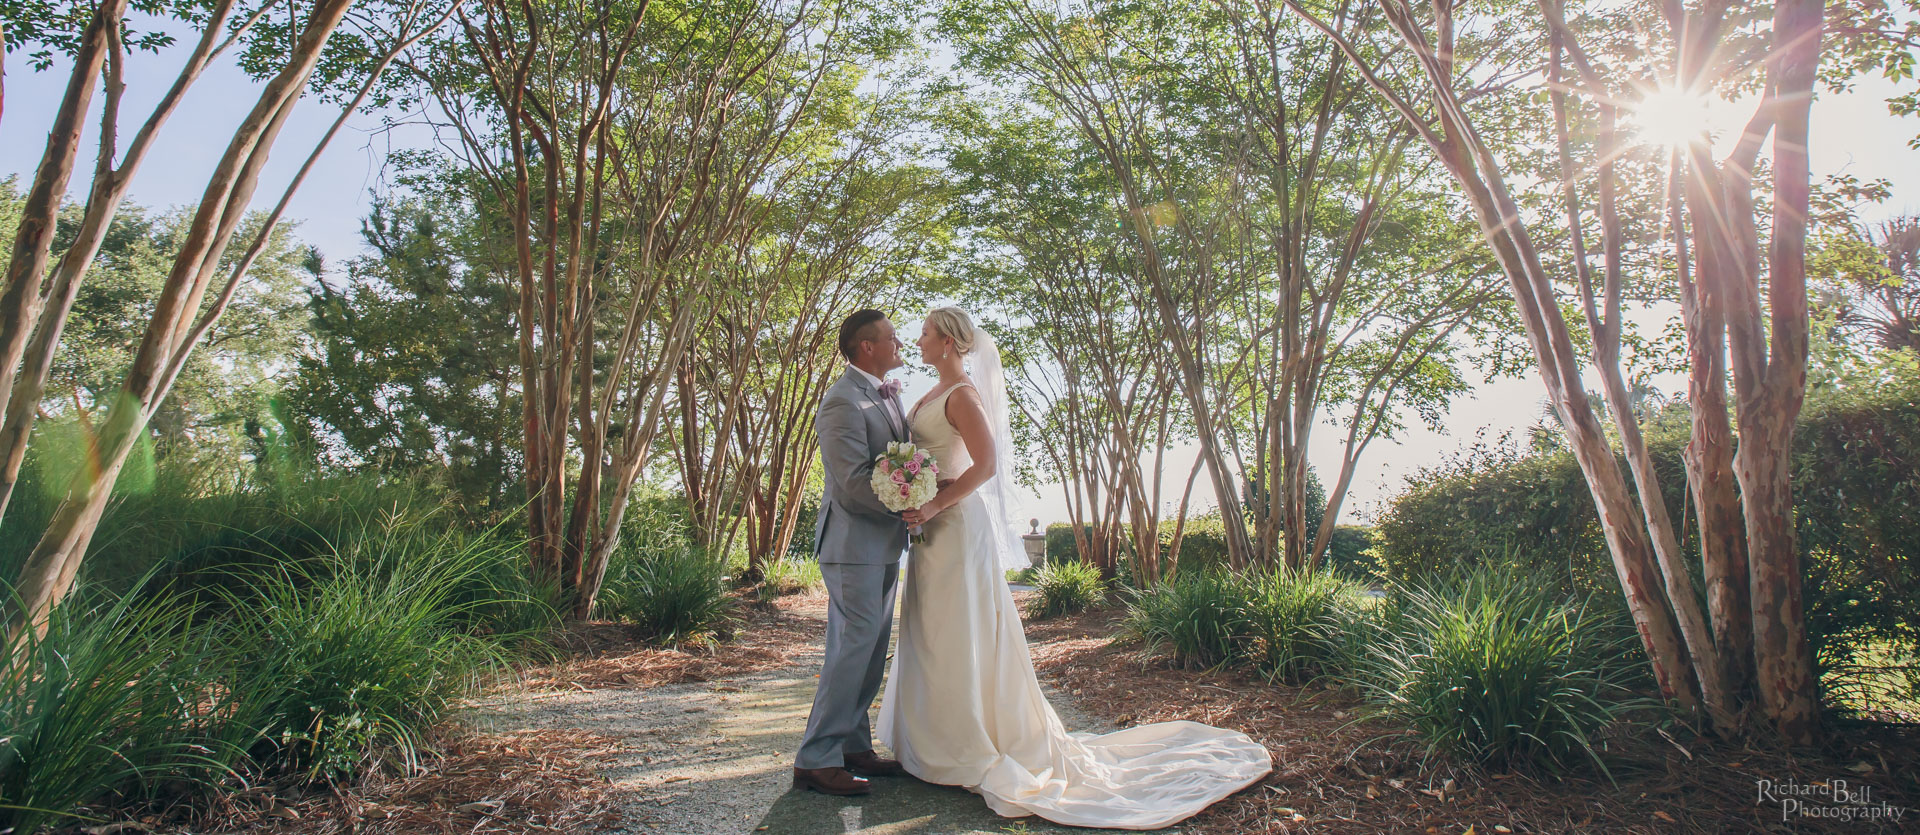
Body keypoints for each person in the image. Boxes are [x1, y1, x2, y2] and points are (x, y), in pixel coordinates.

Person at [880, 306, 1272, 830]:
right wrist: (913, 490)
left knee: (956, 629)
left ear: (948, 342)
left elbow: (987, 465)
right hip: (931, 529)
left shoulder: (964, 395)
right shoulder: (930, 392)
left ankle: (963, 741)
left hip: (953, 526)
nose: (919, 339)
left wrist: (931, 504)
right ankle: (927, 741)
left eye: (926, 333)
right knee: (930, 628)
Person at [792, 309, 913, 796]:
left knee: (870, 649)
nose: (898, 343)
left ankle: (853, 746)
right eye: (891, 337)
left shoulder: (883, 393)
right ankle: (815, 758)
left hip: (883, 543)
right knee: (851, 649)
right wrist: (914, 501)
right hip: (851, 545)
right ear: (868, 347)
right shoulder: (842, 400)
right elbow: (853, 481)